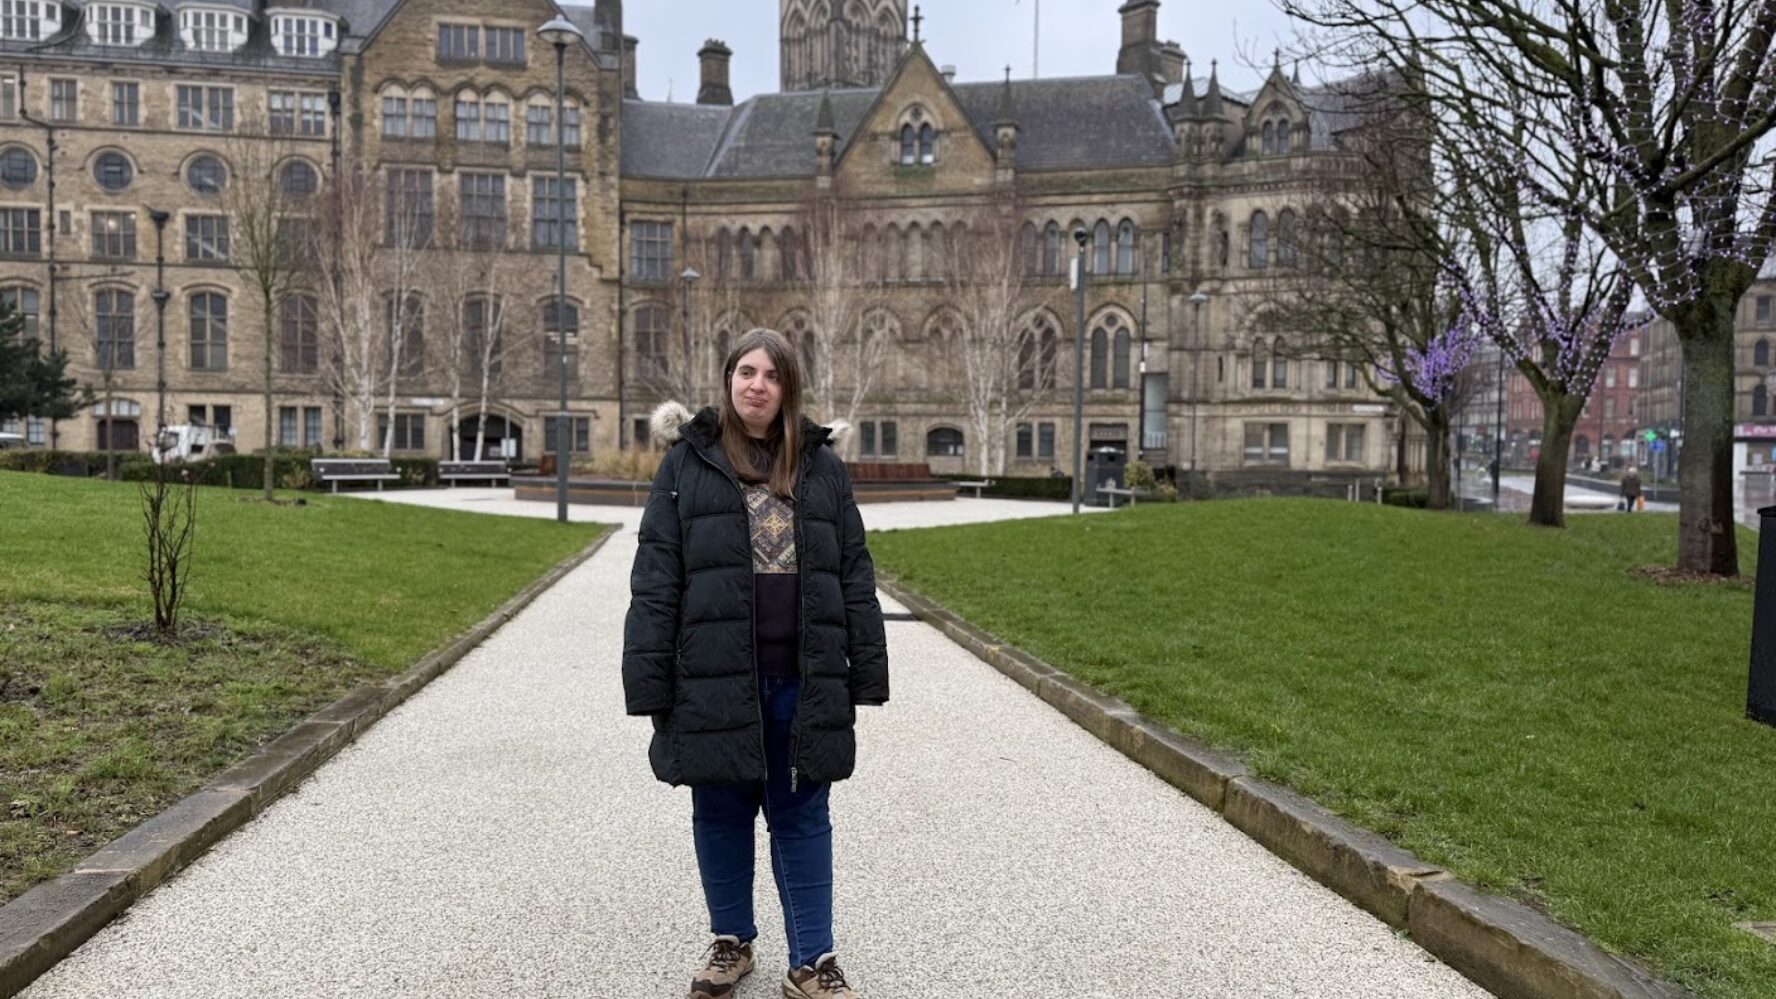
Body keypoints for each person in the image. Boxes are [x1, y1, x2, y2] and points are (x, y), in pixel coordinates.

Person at [623, 326, 890, 999]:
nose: (757, 385)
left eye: (771, 375)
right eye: (746, 371)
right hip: (713, 675)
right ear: (728, 379)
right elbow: (656, 576)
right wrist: (649, 678)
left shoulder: (822, 466)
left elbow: (853, 571)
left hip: (804, 676)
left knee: (802, 814)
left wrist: (867, 670)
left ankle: (811, 961)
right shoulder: (689, 463)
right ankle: (730, 942)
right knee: (719, 811)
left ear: (788, 386)